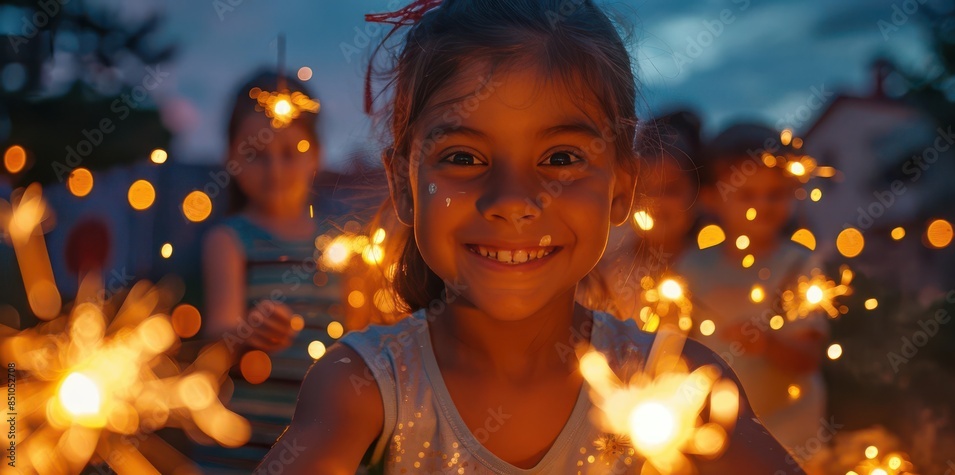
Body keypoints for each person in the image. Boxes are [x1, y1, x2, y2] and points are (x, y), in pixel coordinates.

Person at [260, 1, 795, 473]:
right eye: (464, 158)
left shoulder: (680, 386)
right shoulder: (364, 389)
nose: (513, 200)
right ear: (405, 185)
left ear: (621, 188)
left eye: (561, 158)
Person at [196, 69, 347, 473]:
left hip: (319, 454)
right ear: (230, 156)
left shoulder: (341, 250)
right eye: (256, 154)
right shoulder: (228, 241)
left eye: (291, 152)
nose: (275, 170)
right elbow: (217, 341)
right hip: (236, 451)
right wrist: (247, 334)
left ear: (317, 154)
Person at [674, 123, 830, 465]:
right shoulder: (692, 266)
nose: (762, 204)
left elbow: (809, 356)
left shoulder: (797, 266)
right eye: (746, 194)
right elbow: (673, 343)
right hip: (719, 432)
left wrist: (768, 344)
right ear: (713, 198)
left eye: (775, 193)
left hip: (791, 434)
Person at [578, 111, 702, 326]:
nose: (656, 201)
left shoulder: (712, 267)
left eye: (671, 189)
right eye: (645, 190)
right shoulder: (610, 273)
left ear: (698, 193)